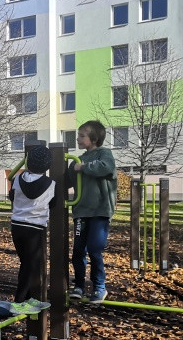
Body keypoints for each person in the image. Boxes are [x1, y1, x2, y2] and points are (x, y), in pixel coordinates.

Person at [67, 120, 117, 304]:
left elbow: (106, 167)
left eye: (82, 136)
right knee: (78, 250)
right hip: (81, 211)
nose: (78, 139)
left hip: (99, 210)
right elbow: (67, 180)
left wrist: (83, 167)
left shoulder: (104, 154)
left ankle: (99, 286)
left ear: (94, 139)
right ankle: (79, 285)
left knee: (95, 248)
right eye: (78, 135)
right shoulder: (78, 160)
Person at [9, 145, 55, 306]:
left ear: (28, 162)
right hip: (35, 229)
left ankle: (28, 300)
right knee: (30, 265)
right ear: (48, 165)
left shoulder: (16, 179)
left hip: (17, 227)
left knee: (27, 263)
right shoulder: (51, 183)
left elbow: (12, 197)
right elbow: (54, 204)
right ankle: (19, 302)